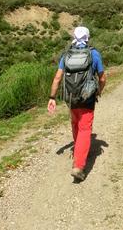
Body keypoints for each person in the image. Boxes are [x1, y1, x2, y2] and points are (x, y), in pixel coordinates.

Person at [48, 26, 106, 181]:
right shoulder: (93, 54)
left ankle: (78, 148)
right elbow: (102, 78)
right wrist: (99, 91)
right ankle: (79, 166)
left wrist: (52, 97)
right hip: (87, 98)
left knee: (75, 124)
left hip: (71, 98)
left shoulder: (67, 55)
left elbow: (57, 78)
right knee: (85, 129)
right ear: (87, 37)